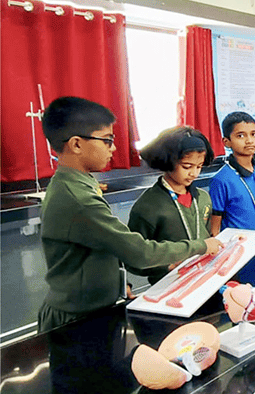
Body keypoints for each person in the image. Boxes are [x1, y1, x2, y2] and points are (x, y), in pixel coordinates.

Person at [39, 97, 222, 332]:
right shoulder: (79, 199)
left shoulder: (81, 185)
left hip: (98, 305)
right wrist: (201, 246)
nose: (113, 148)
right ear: (76, 144)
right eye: (107, 140)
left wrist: (117, 282)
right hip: (77, 318)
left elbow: (101, 245)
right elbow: (139, 252)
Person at [127, 126, 215, 285]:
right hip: (168, 285)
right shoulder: (147, 206)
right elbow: (132, 259)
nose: (194, 173)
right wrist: (166, 267)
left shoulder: (203, 198)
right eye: (187, 166)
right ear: (168, 162)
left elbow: (207, 237)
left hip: (205, 280)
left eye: (199, 166)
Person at [209, 112, 255, 235]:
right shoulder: (221, 180)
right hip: (236, 244)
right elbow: (214, 228)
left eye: (253, 134)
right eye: (241, 136)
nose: (249, 141)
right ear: (227, 142)